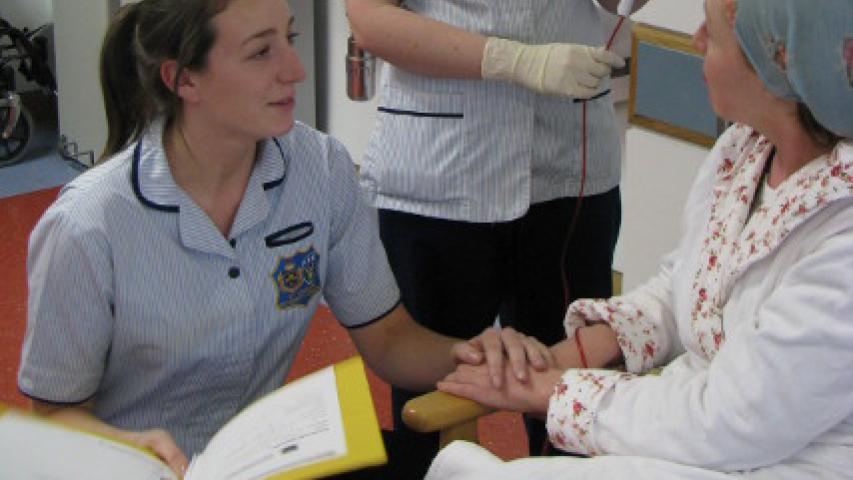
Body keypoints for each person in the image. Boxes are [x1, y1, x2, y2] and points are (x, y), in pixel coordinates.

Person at [15, 0, 552, 477]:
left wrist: (477, 354)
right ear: (183, 80)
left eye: (289, 40)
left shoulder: (320, 170)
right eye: (260, 53)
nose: (293, 71)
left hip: (268, 464)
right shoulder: (88, 226)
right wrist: (131, 450)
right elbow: (55, 414)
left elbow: (389, 340)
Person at [432, 0, 853, 477]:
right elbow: (686, 289)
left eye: (711, 36)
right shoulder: (743, 150)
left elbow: (730, 420)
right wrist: (560, 358)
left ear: (776, 64)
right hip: (707, 439)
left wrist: (555, 392)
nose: (694, 41)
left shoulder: (843, 236)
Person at [345, 0, 649, 469]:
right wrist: (515, 60)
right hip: (442, 173)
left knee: (571, 396)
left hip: (569, 166)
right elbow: (370, 21)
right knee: (432, 401)